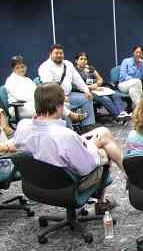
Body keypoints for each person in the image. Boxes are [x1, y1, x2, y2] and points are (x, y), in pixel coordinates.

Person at [9, 83, 123, 214]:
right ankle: (102, 202)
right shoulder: (66, 135)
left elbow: (20, 144)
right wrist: (92, 147)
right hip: (67, 186)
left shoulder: (23, 126)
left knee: (102, 132)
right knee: (105, 151)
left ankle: (125, 178)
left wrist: (82, 142)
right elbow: (86, 167)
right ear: (59, 106)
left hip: (36, 184)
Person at [38, 44, 95, 130]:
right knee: (65, 106)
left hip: (69, 95)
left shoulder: (68, 64)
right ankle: (69, 131)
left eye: (61, 53)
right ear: (50, 54)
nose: (59, 55)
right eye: (56, 53)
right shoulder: (44, 67)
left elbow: (77, 79)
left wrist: (86, 90)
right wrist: (61, 96)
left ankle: (87, 127)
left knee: (87, 98)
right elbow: (50, 88)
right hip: (54, 98)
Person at [74, 52, 130, 120]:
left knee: (115, 94)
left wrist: (96, 85)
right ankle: (117, 116)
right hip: (86, 91)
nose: (83, 61)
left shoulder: (90, 68)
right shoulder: (74, 70)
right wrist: (92, 87)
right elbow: (77, 85)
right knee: (105, 98)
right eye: (81, 59)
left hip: (97, 88)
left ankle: (122, 113)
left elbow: (100, 79)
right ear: (76, 61)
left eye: (85, 59)